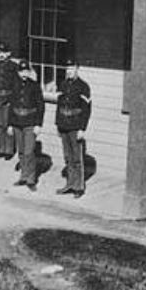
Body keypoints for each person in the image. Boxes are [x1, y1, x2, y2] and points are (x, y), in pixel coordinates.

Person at [55, 58, 92, 198]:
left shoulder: (83, 87)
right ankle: (70, 184)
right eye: (67, 68)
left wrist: (82, 128)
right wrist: (58, 125)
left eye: (72, 68)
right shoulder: (63, 84)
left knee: (77, 158)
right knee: (67, 157)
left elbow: (87, 110)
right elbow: (59, 106)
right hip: (64, 124)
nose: (69, 71)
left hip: (76, 126)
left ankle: (78, 186)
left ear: (77, 69)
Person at [10, 59, 45, 191]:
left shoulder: (35, 86)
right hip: (17, 122)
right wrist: (10, 124)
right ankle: (23, 176)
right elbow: (11, 105)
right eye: (21, 71)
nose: (24, 73)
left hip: (30, 123)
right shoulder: (14, 85)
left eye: (26, 71)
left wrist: (38, 124)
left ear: (29, 72)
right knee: (21, 151)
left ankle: (31, 179)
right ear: (18, 72)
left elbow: (41, 106)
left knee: (29, 151)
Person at [0, 41, 19, 159]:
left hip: (8, 99)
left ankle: (9, 150)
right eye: (0, 52)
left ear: (9, 53)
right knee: (0, 125)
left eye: (4, 52)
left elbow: (16, 85)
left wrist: (12, 100)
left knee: (7, 125)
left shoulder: (13, 67)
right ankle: (1, 148)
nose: (1, 54)